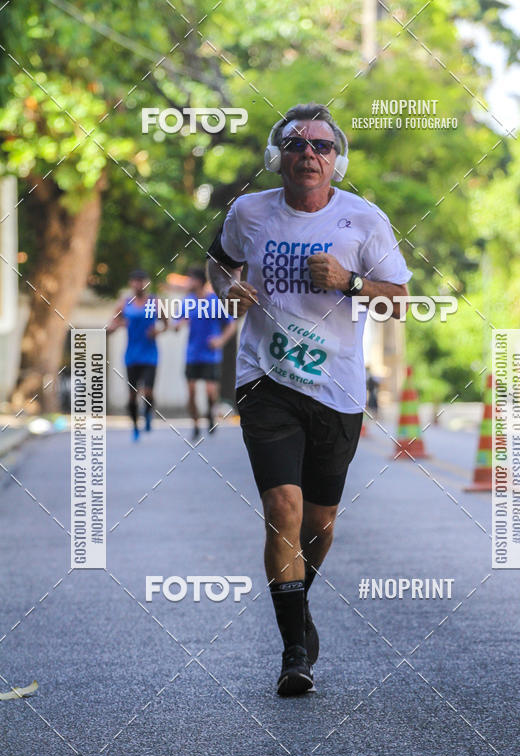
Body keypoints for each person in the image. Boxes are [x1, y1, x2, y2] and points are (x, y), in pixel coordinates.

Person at [207, 102, 412, 696]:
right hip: (265, 380)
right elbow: (220, 262)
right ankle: (294, 651)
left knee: (320, 522)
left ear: (337, 161)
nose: (309, 155)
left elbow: (398, 299)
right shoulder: (249, 213)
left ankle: (297, 605)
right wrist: (230, 287)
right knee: (284, 511)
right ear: (279, 158)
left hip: (337, 389)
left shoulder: (365, 221)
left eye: (321, 146)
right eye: (296, 145)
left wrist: (349, 282)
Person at [172, 266, 237, 441]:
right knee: (192, 392)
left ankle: (209, 414)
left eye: (190, 279)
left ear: (199, 281)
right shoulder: (188, 302)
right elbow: (176, 324)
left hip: (210, 355)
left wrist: (221, 341)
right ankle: (195, 425)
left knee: (210, 392)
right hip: (192, 354)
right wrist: (178, 325)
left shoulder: (214, 301)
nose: (187, 283)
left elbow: (231, 325)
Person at [107, 269, 166, 441]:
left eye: (142, 281)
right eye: (135, 281)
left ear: (146, 283)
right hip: (131, 355)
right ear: (130, 283)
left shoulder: (155, 302)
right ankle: (134, 427)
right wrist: (112, 328)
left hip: (150, 355)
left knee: (148, 391)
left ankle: (148, 414)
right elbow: (113, 324)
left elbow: (166, 324)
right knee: (133, 394)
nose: (138, 284)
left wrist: (158, 331)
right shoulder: (124, 304)